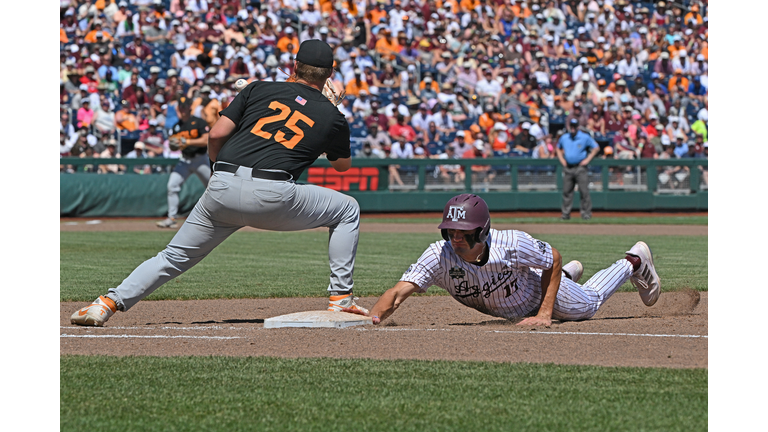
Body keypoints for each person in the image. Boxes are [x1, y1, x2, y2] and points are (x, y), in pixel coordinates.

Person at [71, 40, 366, 327]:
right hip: (273, 194)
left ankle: (104, 304)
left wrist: (217, 172)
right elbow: (342, 166)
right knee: (348, 209)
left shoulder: (258, 88)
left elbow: (216, 134)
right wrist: (330, 115)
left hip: (221, 186)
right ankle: (341, 299)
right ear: (331, 73)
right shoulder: (333, 115)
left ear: (295, 65)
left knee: (172, 257)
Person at [342, 194, 661, 326]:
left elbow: (552, 256)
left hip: (537, 291)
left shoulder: (510, 243)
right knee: (557, 274)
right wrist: (372, 317)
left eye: (463, 232)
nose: (455, 238)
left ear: (481, 232)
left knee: (587, 306)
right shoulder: (439, 256)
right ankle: (566, 276)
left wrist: (545, 315)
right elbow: (398, 293)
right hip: (520, 293)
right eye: (450, 230)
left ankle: (633, 261)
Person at [155, 96, 211, 229]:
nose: (184, 109)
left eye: (186, 106)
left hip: (201, 159)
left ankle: (220, 216)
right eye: (181, 106)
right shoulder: (177, 126)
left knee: (213, 187)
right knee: (172, 186)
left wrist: (187, 142)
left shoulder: (198, 122)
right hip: (185, 159)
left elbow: (206, 139)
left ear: (190, 107)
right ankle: (171, 217)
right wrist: (174, 145)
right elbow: (172, 145)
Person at [556, 118, 600, 220]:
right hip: (568, 167)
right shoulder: (564, 137)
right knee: (567, 191)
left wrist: (588, 159)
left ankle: (586, 214)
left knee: (584, 191)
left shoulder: (584, 137)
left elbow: (596, 147)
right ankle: (565, 214)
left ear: (578, 127)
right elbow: (558, 148)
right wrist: (562, 160)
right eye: (571, 126)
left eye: (574, 126)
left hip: (580, 167)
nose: (573, 128)